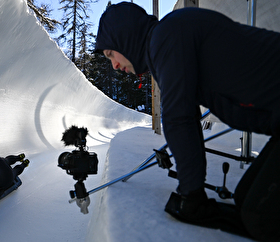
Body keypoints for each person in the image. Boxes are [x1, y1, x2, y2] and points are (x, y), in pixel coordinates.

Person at [95, 2, 280, 240]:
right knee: (245, 199)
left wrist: (191, 194)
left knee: (260, 217)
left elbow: (178, 117)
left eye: (111, 54)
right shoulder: (167, 41)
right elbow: (187, 115)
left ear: (124, 36)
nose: (115, 66)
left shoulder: (168, 35)